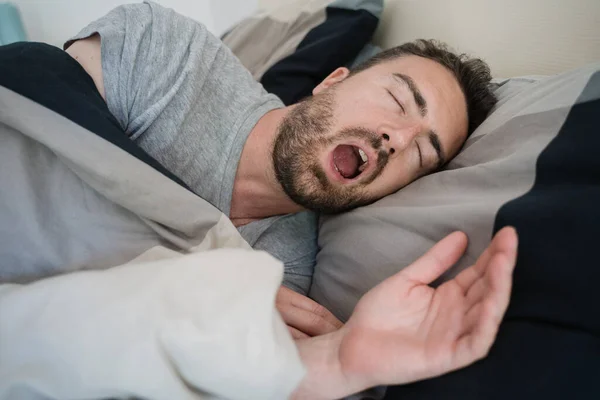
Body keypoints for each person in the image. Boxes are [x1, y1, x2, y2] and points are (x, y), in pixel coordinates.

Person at [0, 2, 519, 398]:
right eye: (398, 99)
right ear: (331, 81)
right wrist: (220, 289)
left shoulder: (286, 273)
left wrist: (323, 359)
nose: (397, 138)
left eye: (422, 155)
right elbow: (37, 129)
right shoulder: (170, 53)